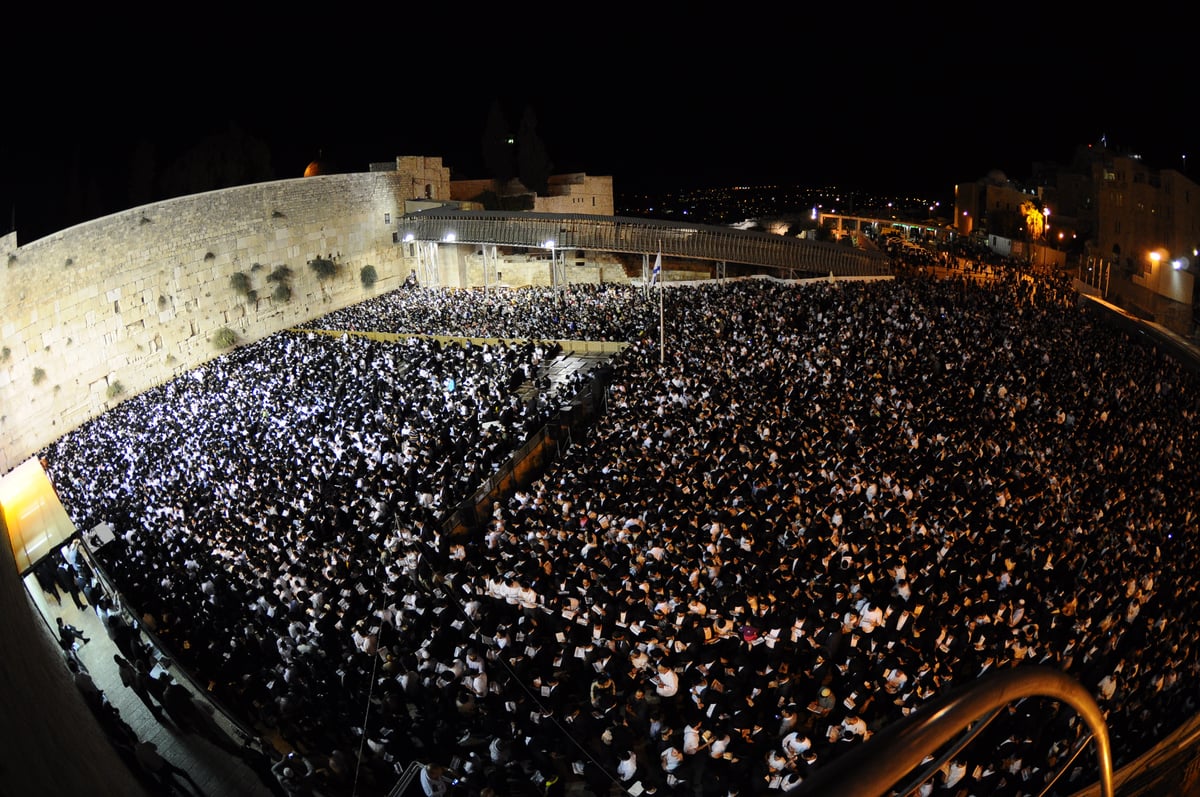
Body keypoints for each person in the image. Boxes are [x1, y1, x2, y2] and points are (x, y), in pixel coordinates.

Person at [134, 739, 206, 797]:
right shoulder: (145, 743)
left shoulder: (137, 754)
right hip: (162, 761)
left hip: (157, 769)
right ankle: (184, 774)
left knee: (173, 782)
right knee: (173, 768)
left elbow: (143, 766)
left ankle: (185, 792)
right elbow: (155, 747)